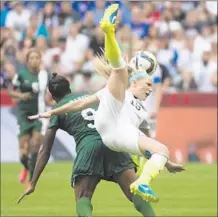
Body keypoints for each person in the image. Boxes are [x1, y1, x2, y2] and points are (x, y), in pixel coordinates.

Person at [28, 4, 184, 202]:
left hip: (118, 137)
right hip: (109, 126)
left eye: (151, 86)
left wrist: (166, 162)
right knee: (118, 69)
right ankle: (109, 32)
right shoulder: (119, 92)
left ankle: (142, 182)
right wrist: (53, 112)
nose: (150, 89)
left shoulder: (141, 110)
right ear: (134, 82)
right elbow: (82, 103)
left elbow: (146, 138)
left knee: (162, 149)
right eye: (147, 84)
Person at [17, 73, 184, 217]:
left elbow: (45, 150)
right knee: (135, 193)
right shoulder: (91, 96)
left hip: (88, 148)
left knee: (83, 197)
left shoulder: (59, 108)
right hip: (113, 142)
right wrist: (166, 161)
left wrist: (33, 182)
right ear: (70, 88)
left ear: (52, 95)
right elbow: (136, 135)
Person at [7, 48, 48, 185]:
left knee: (36, 143)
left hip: (39, 114)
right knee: (23, 149)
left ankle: (31, 178)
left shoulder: (44, 76)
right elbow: (10, 92)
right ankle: (25, 166)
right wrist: (21, 95)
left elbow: (48, 94)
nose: (34, 60)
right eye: (32, 58)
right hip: (24, 114)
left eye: (37, 57)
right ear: (27, 60)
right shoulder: (22, 75)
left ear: (40, 60)